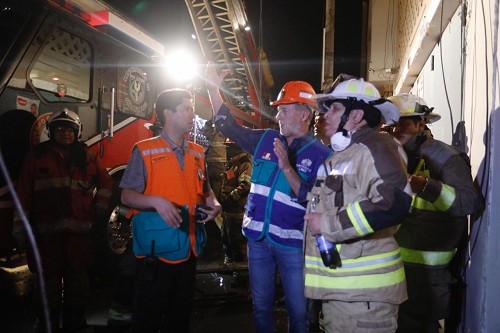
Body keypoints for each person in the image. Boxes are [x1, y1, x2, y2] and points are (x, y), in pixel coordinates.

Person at [205, 63, 333, 332]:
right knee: (261, 307)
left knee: (299, 314)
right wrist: (212, 87)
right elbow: (228, 125)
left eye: (284, 110)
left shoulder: (322, 156)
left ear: (305, 114)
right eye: (278, 110)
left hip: (294, 247)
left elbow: (316, 201)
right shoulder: (266, 138)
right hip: (258, 242)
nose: (278, 116)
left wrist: (287, 168)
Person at [303, 78, 412, 332]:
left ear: (357, 115)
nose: (326, 115)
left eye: (335, 109)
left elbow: (394, 203)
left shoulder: (375, 146)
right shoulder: (347, 153)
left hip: (364, 301)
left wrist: (327, 224)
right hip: (346, 294)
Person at [120, 88, 221, 332]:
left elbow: (206, 190)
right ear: (168, 113)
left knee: (179, 319)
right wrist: (156, 201)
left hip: (189, 249)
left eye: (192, 110)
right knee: (148, 319)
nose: (192, 115)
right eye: (186, 109)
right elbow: (126, 195)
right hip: (156, 254)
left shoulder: (198, 153)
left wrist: (215, 205)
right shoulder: (144, 150)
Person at [387, 93, 483, 332]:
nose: (397, 129)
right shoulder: (390, 155)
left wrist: (425, 186)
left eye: (405, 122)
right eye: (393, 123)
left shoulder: (445, 157)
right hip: (393, 264)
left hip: (428, 273)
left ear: (421, 124)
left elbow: (469, 202)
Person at [12, 108, 113, 332]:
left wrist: (100, 207)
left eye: (70, 129)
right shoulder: (36, 157)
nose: (65, 133)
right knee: (48, 288)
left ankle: (75, 325)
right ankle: (47, 325)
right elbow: (22, 196)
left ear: (77, 132)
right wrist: (19, 230)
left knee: (78, 286)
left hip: (79, 237)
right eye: (59, 128)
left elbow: (106, 183)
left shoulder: (87, 157)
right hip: (47, 238)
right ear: (51, 131)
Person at [220, 141, 252, 265]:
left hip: (237, 213)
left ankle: (240, 276)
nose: (227, 149)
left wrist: (229, 199)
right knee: (227, 241)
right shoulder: (232, 164)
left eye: (229, 147)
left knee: (239, 246)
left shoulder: (244, 164)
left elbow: (245, 186)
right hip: (228, 212)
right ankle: (229, 267)